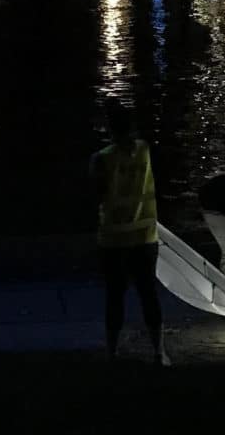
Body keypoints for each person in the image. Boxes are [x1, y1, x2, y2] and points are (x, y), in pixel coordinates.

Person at [90, 101, 168, 365]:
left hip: (113, 241)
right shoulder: (145, 151)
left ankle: (112, 352)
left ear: (110, 130)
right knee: (149, 295)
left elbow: (95, 196)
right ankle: (159, 352)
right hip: (145, 237)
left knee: (115, 297)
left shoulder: (101, 158)